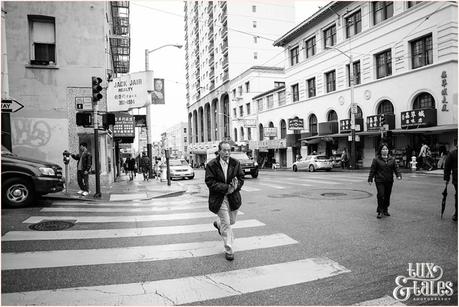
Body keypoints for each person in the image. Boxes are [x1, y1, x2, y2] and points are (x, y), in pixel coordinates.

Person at [205, 140, 244, 261]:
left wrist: (235, 186)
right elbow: (210, 182)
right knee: (226, 223)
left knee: (231, 221)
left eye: (229, 150)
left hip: (233, 197)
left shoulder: (235, 163)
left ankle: (217, 224)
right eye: (224, 150)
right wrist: (227, 188)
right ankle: (229, 249)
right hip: (219, 197)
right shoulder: (212, 165)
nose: (227, 152)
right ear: (219, 151)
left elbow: (241, 178)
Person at [368, 143, 402, 219]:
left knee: (387, 196)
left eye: (386, 149)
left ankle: (385, 209)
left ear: (388, 150)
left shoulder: (392, 159)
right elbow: (372, 170)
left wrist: (398, 175)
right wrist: (370, 179)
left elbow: (396, 168)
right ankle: (380, 211)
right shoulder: (376, 160)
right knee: (381, 195)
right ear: (380, 150)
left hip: (389, 180)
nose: (385, 150)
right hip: (379, 180)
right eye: (383, 149)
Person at [444, 148, 458, 221]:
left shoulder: (452, 154)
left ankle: (457, 214)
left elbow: (447, 166)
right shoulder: (452, 154)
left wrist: (447, 178)